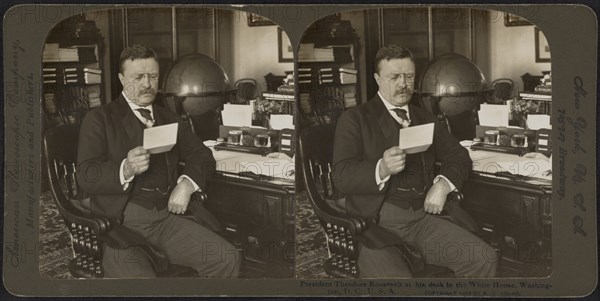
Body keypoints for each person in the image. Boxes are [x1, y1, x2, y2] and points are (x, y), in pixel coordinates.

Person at [332, 45, 496, 278]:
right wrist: (381, 168)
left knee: (483, 258)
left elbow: (458, 155)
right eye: (394, 77)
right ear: (378, 79)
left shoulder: (425, 118)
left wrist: (443, 185)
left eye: (408, 76)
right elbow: (341, 175)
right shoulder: (355, 119)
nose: (403, 84)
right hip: (375, 225)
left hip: (422, 219)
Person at [76, 44, 239, 278]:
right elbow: (86, 175)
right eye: (138, 77)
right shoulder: (100, 119)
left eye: (152, 76)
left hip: (166, 220)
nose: (146, 84)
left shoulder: (169, 118)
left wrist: (186, 184)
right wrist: (126, 168)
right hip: (121, 227)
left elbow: (202, 156)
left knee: (226, 258)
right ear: (122, 79)